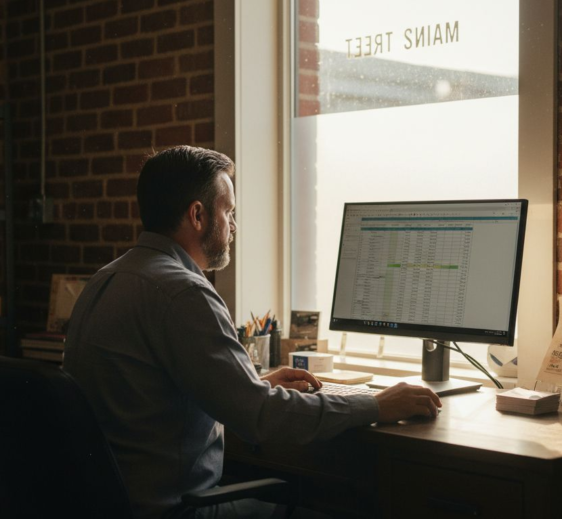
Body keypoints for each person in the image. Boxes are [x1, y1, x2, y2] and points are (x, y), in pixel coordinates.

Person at [63, 146, 442, 519]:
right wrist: (377, 405)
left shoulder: (107, 278)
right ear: (198, 215)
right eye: (229, 212)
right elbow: (261, 419)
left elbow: (152, 394)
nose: (234, 226)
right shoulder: (184, 293)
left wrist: (250, 382)